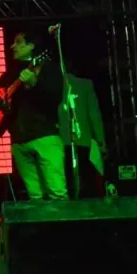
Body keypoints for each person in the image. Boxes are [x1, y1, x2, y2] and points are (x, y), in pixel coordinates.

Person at [0, 30, 66, 201]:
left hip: (44, 137)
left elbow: (54, 99)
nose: (13, 46)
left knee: (57, 193)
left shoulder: (48, 68)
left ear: (31, 46)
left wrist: (34, 83)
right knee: (34, 196)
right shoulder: (11, 73)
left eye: (18, 42)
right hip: (19, 141)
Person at [58, 67, 106, 199]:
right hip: (82, 139)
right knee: (86, 175)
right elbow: (94, 114)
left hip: (61, 139)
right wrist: (101, 140)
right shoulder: (85, 85)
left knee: (66, 176)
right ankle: (87, 204)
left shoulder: (54, 84)